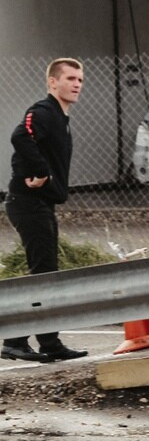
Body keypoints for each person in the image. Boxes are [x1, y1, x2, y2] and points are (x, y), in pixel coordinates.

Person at [1, 58, 88, 363]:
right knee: (42, 275)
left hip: (41, 204)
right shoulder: (44, 111)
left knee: (46, 275)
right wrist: (41, 172)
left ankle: (49, 343)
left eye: (80, 79)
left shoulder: (60, 117)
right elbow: (21, 136)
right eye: (70, 79)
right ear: (53, 82)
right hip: (27, 204)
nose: (77, 84)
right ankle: (14, 340)